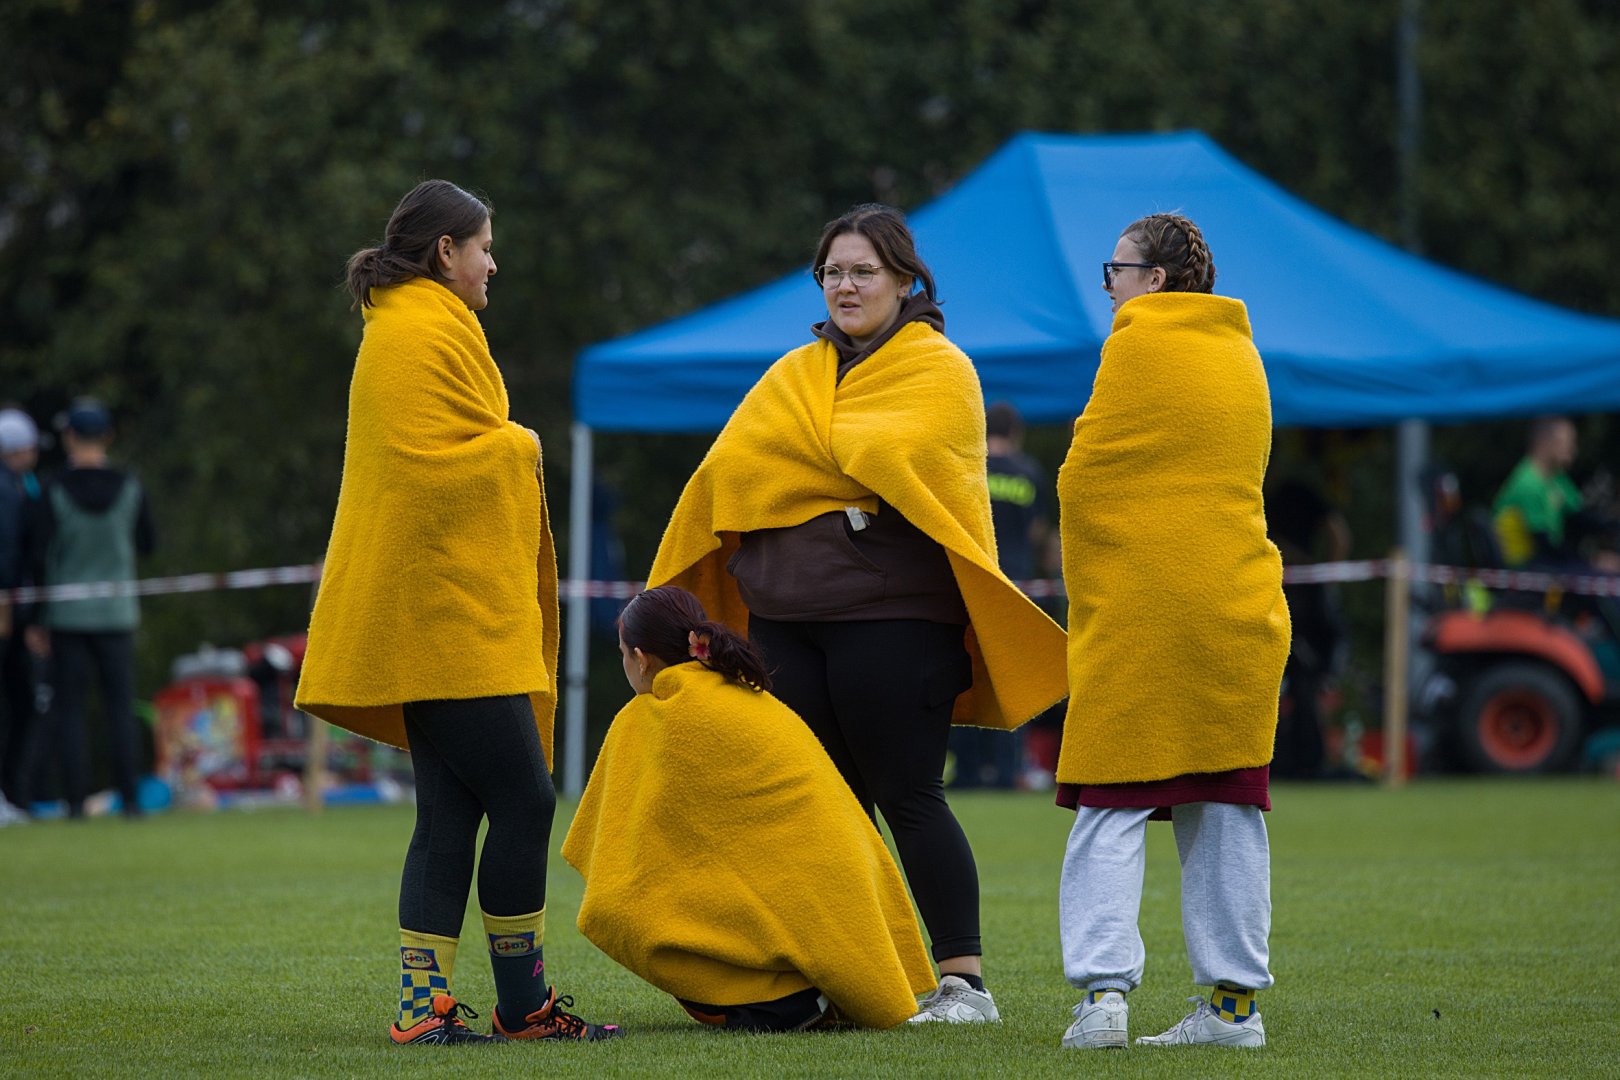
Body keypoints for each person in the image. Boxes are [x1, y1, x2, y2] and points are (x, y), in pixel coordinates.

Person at [647, 203, 1068, 1024]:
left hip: (896, 619)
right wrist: (833, 485)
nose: (845, 286)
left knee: (908, 794)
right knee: (819, 805)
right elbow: (731, 471)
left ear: (904, 280)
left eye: (862, 272)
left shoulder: (941, 369)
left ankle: (965, 984)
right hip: (782, 619)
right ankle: (843, 979)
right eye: (832, 273)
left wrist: (805, 470)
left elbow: (886, 458)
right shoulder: (793, 374)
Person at [293, 180, 619, 1046]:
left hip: (440, 615)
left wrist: (499, 446)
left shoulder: (416, 325)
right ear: (446, 251)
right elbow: (422, 474)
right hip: (441, 620)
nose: (492, 263)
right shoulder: (412, 332)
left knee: (449, 817)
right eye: (483, 246)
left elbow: (433, 460)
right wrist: (519, 446)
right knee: (526, 800)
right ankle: (523, 1006)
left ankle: (423, 1010)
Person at [1055, 213, 1289, 1050]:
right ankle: (1233, 1011)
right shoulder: (1243, 352)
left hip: (1145, 611)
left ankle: (1103, 1001)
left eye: (1114, 270)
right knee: (1227, 803)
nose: (1109, 286)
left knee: (1111, 799)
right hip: (1241, 607)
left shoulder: (1136, 343)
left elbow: (1086, 479)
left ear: (1153, 280)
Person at [562, 586, 935, 1031]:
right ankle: (808, 987)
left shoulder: (654, 714)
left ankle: (777, 998)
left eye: (623, 654)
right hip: (846, 906)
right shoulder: (750, 695)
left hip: (806, 916)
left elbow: (638, 844)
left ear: (641, 659)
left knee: (612, 910)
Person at [25, 398, 156, 821]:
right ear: (108, 437)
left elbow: (39, 554)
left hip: (68, 615)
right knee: (120, 707)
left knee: (71, 711)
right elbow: (147, 543)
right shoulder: (131, 486)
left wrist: (35, 619)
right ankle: (130, 800)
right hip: (117, 613)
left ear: (69, 437)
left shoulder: (53, 489)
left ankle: (76, 803)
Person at [950, 401, 1052, 789]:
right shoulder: (1030, 472)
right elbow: (1038, 530)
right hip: (1017, 587)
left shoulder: (970, 468)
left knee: (965, 678)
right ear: (1016, 433)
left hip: (973, 584)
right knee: (1012, 684)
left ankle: (967, 772)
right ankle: (1008, 771)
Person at [1266, 475, 1351, 779]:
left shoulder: (1284, 492)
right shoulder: (1301, 492)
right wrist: (1328, 576)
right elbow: (1339, 534)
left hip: (1287, 592)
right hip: (1299, 592)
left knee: (1294, 678)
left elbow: (1338, 534)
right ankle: (1303, 756)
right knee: (1303, 677)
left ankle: (1291, 756)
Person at [1492, 416, 1620, 572]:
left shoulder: (1556, 479)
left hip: (1546, 562)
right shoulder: (1528, 483)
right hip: (1526, 569)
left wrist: (1613, 526)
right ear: (1545, 442)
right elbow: (1544, 545)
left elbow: (1580, 517)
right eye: (1567, 442)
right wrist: (1591, 562)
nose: (1573, 450)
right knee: (1601, 577)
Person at [0, 406, 42, 824]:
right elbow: (8, 552)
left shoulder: (17, 486)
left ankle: (13, 794)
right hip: (5, 611)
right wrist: (8, 607)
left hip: (12, 610)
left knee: (22, 702)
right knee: (16, 703)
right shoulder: (7, 491)